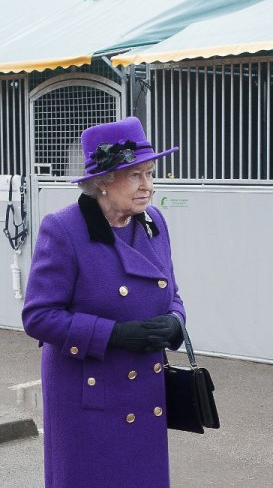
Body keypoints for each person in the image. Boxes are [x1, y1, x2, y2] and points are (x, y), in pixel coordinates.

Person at [22, 116, 186, 488]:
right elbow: (38, 316)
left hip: (143, 386)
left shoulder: (152, 220)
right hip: (88, 393)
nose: (148, 185)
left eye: (150, 172)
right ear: (103, 183)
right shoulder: (64, 228)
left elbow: (171, 292)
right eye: (136, 175)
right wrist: (114, 335)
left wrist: (175, 322)